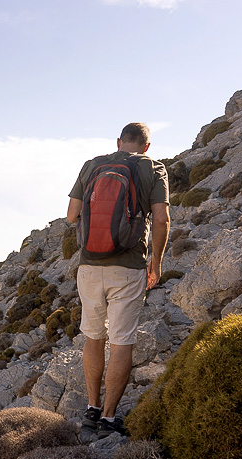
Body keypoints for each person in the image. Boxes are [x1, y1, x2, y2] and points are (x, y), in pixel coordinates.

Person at [66, 123, 170, 440]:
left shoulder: (92, 165)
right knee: (122, 341)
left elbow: (71, 216)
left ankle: (92, 410)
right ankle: (109, 419)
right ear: (147, 147)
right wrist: (157, 261)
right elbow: (162, 218)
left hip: (89, 266)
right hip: (128, 267)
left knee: (94, 338)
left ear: (118, 142)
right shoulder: (153, 167)